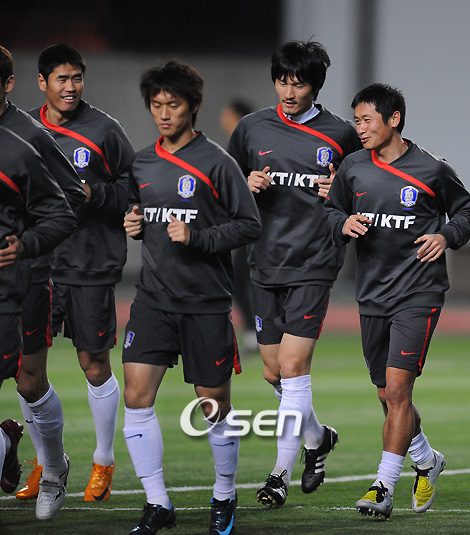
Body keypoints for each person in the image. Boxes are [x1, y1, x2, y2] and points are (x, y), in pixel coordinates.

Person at [122, 60, 261, 535]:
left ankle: (224, 492)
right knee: (136, 397)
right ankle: (157, 502)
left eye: (173, 105)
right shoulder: (142, 162)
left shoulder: (217, 163)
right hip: (152, 300)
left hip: (205, 303)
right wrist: (134, 224)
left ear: (194, 105)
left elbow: (249, 225)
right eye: (156, 105)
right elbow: (140, 212)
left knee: (213, 406)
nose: (164, 114)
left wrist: (198, 237)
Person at [324, 83, 470, 519]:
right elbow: (331, 211)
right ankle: (426, 459)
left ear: (394, 119)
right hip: (372, 294)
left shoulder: (432, 169)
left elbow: (466, 211)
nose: (360, 128)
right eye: (356, 120)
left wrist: (446, 236)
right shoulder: (353, 167)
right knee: (387, 394)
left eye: (367, 120)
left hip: (419, 292)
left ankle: (383, 487)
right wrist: (342, 223)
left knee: (399, 390)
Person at [228, 40, 362, 507]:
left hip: (315, 262)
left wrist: (341, 192)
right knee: (272, 372)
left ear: (315, 86)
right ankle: (318, 438)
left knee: (292, 367)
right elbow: (223, 187)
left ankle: (278, 475)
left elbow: (364, 190)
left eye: (298, 83)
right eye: (282, 81)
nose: (288, 91)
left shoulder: (341, 135)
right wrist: (244, 185)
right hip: (263, 261)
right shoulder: (251, 128)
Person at [29, 43, 135, 502]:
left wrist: (97, 194)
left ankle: (103, 460)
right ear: (42, 82)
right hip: (35, 266)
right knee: (27, 370)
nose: (70, 87)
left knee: (93, 365)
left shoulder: (105, 130)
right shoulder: (24, 129)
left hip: (89, 263)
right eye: (61, 79)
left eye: (76, 78)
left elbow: (134, 188)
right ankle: (46, 462)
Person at [0, 45, 86, 514]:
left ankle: (52, 468)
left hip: (26, 280)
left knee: (29, 382)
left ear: (8, 84)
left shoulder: (30, 137)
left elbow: (71, 197)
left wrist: (27, 242)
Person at [219, 99, 258, 355]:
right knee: (239, 278)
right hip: (245, 225)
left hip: (255, 225)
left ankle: (258, 333)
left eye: (227, 113)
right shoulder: (241, 143)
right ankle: (255, 332)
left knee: (243, 278)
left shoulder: (248, 144)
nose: (223, 118)